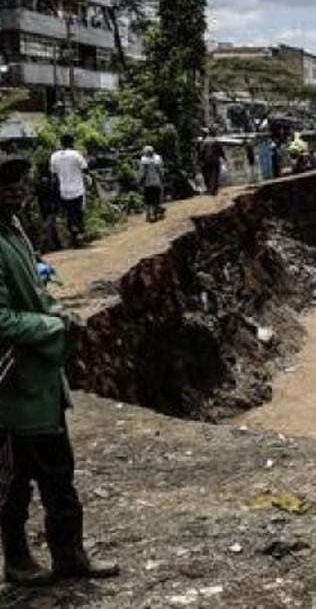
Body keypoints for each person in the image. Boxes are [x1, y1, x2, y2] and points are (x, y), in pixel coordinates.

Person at [0, 154, 118, 585]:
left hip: (42, 381)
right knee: (16, 483)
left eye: (19, 183)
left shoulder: (15, 231)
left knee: (59, 476)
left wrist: (54, 308)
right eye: (6, 185)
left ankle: (70, 556)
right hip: (14, 388)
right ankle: (18, 561)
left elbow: (32, 290)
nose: (16, 192)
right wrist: (52, 325)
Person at [48, 135, 87, 249]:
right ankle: (79, 236)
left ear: (61, 143)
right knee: (78, 213)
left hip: (63, 191)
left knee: (69, 214)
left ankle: (74, 236)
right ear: (72, 142)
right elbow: (85, 168)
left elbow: (54, 175)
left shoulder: (54, 156)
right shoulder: (76, 154)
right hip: (78, 190)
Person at [138, 146, 165, 222]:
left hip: (148, 183)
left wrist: (140, 181)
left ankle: (148, 215)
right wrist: (162, 178)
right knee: (156, 199)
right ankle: (155, 214)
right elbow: (161, 170)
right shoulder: (158, 158)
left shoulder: (144, 160)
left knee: (148, 200)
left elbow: (142, 172)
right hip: (157, 182)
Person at [197, 131, 226, 196]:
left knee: (209, 175)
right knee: (215, 175)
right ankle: (214, 190)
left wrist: (199, 161)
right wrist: (224, 158)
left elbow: (201, 152)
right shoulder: (215, 141)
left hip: (207, 161)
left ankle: (211, 189)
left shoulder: (203, 142)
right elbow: (220, 150)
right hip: (215, 160)